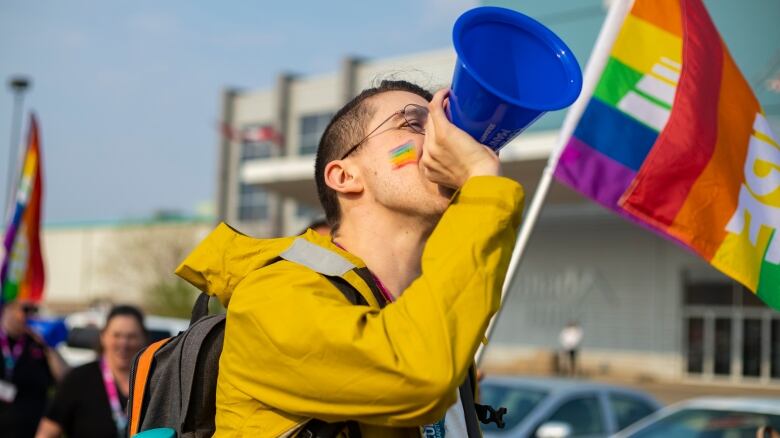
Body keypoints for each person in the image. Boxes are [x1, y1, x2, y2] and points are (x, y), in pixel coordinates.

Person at [176, 80, 525, 436]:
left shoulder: (431, 315)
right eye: (414, 122)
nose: (444, 136)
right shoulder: (274, 295)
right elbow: (416, 375)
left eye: (442, 121)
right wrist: (481, 185)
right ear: (344, 176)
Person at [36, 305, 148, 438]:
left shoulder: (155, 380)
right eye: (116, 335)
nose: (123, 343)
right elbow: (46, 433)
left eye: (131, 336)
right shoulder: (78, 379)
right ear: (103, 337)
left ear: (144, 338)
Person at [0, 300, 68, 438]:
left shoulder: (38, 343)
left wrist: (48, 346)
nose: (29, 315)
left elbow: (64, 378)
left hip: (32, 428)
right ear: (7, 310)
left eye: (33, 310)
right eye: (24, 309)